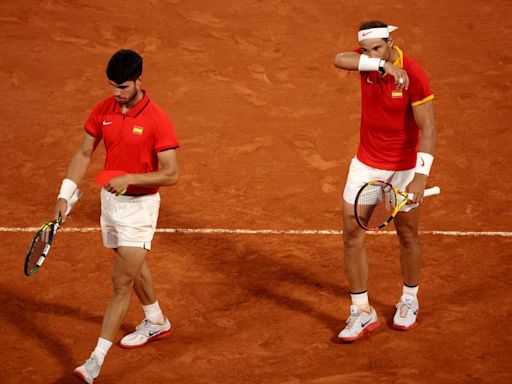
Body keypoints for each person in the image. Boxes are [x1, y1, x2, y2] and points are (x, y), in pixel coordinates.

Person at [53, 49, 180, 382]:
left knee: (120, 283)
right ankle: (155, 320)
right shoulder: (104, 110)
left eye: (122, 87)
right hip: (110, 204)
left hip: (140, 208)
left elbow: (171, 173)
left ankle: (95, 360)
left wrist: (130, 178)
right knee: (132, 263)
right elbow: (84, 152)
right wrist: (64, 195)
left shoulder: (157, 120)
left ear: (139, 80)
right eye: (112, 86)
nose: (116, 93)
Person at [333, 21, 436, 342]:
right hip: (366, 163)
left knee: (407, 233)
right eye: (367, 49)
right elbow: (339, 59)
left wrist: (420, 177)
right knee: (352, 233)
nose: (371, 53)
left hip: (405, 167)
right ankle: (361, 310)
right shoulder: (371, 62)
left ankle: (409, 299)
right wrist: (382, 64)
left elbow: (429, 129)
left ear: (391, 42)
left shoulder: (414, 74)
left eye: (379, 48)